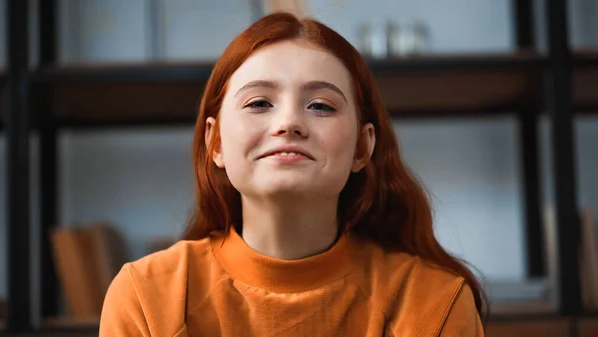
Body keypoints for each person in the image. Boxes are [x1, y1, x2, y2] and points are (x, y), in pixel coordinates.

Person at [99, 12, 487, 337]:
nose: (288, 123)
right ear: (214, 142)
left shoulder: (434, 303)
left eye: (320, 106)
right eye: (259, 102)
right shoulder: (145, 297)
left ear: (361, 148)